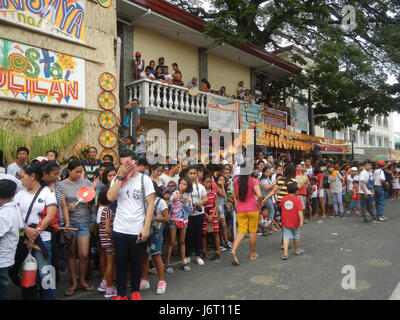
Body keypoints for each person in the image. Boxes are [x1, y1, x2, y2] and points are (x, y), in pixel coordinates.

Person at [106, 149, 156, 300]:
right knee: (120, 261)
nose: (124, 167)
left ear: (134, 163)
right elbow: (110, 197)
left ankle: (135, 291)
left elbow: (150, 205)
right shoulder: (118, 179)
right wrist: (120, 177)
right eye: (121, 164)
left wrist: (146, 227)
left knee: (136, 261)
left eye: (127, 164)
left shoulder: (144, 180)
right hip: (120, 227)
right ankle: (121, 293)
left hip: (137, 228)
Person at [14, 164, 57, 300]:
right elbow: (15, 214)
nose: (21, 180)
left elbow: (50, 216)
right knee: (28, 273)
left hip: (43, 239)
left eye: (23, 177)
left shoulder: (47, 193)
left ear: (33, 176)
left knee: (45, 274)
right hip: (24, 240)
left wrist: (35, 233)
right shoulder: (19, 194)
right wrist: (26, 230)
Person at [61, 160, 94, 296]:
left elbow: (91, 199)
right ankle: (74, 282)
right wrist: (68, 208)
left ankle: (82, 280)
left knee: (84, 254)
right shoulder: (61, 185)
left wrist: (91, 199)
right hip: (70, 223)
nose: (79, 174)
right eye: (77, 171)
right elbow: (60, 206)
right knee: (71, 254)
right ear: (69, 171)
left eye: (81, 171)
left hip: (83, 221)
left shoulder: (86, 182)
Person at [140, 183, 170, 295]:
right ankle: (144, 280)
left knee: (156, 256)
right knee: (144, 256)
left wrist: (154, 218)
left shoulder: (160, 201)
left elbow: (167, 218)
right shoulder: (143, 200)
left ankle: (161, 281)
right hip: (144, 232)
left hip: (155, 233)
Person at [231, 165, 263, 265]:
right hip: (253, 208)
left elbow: (234, 195)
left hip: (241, 209)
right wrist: (260, 203)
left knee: (241, 231)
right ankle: (252, 254)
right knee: (253, 231)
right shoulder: (253, 181)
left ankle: (234, 250)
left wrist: (236, 201)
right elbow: (259, 195)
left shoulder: (236, 181)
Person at [0, 180, 23, 300]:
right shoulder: (13, 207)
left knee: (2, 289)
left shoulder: (4, 214)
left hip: (2, 257)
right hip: (7, 255)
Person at [165, 177, 193, 273]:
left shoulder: (187, 196)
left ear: (187, 187)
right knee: (172, 241)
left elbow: (190, 210)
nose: (182, 185)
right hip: (173, 220)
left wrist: (185, 202)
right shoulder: (174, 194)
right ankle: (167, 264)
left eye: (184, 184)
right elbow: (169, 207)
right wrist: (173, 200)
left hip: (184, 220)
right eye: (181, 183)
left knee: (182, 241)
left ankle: (183, 262)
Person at [185, 165, 208, 266]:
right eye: (191, 173)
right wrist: (189, 205)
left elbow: (205, 198)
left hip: (199, 213)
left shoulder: (201, 186)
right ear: (187, 174)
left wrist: (199, 203)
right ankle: (187, 256)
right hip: (188, 214)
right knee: (188, 235)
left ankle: (198, 256)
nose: (193, 175)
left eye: (194, 173)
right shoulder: (184, 185)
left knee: (198, 235)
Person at [97, 186, 117, 298]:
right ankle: (109, 288)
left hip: (103, 241)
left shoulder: (100, 209)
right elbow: (107, 228)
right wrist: (113, 237)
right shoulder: (108, 210)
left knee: (109, 264)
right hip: (109, 241)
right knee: (110, 265)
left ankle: (104, 282)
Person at [279, 182, 304, 260]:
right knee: (296, 235)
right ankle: (296, 250)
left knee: (286, 236)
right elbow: (300, 211)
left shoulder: (284, 198)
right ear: (296, 191)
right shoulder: (298, 200)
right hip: (295, 221)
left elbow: (280, 206)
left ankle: (285, 253)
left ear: (287, 191)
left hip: (285, 221)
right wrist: (301, 221)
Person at [201, 175, 221, 261]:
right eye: (206, 182)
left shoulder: (213, 193)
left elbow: (216, 204)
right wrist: (206, 215)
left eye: (210, 182)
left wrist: (212, 215)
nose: (208, 184)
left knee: (215, 233)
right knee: (204, 233)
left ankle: (218, 251)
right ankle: (204, 251)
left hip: (213, 214)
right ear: (203, 182)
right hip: (205, 213)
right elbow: (201, 205)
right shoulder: (202, 193)